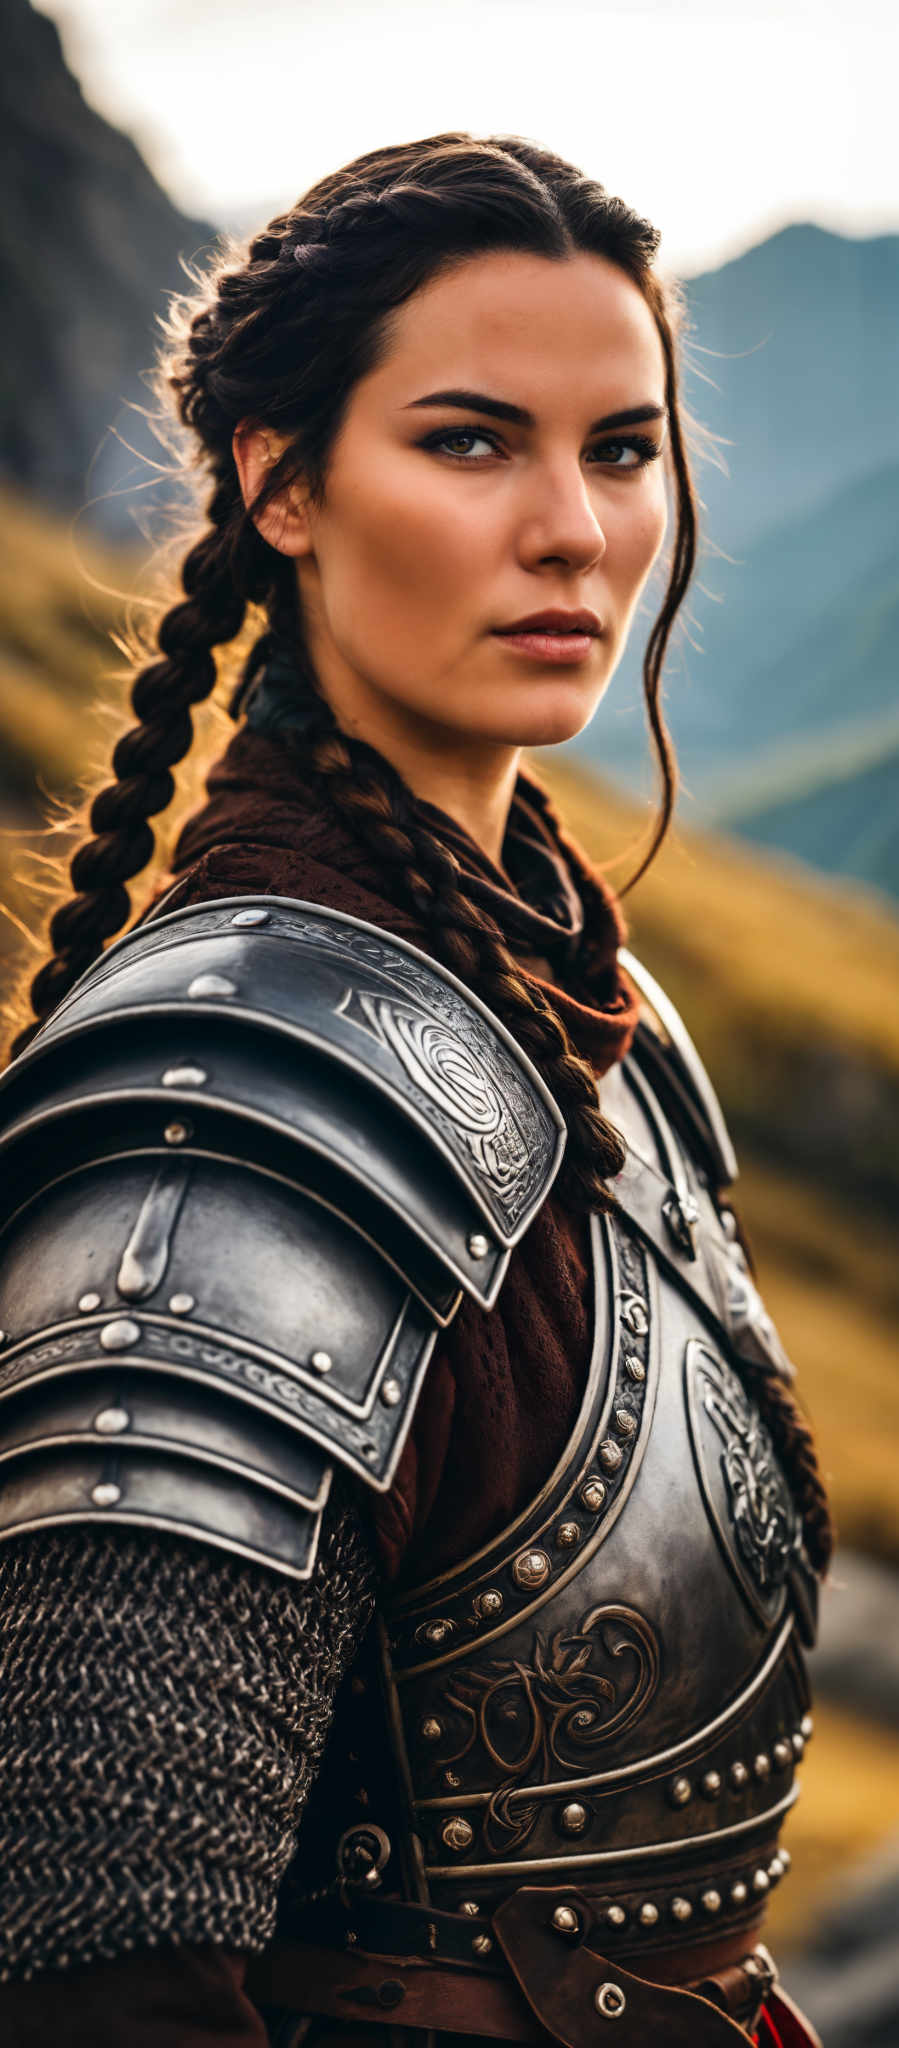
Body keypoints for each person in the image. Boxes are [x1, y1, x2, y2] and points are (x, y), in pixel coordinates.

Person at [0, 132, 830, 2048]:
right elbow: (101, 1951)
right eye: (471, 442)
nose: (574, 528)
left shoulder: (588, 1004)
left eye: (621, 449)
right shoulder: (235, 1099)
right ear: (277, 484)